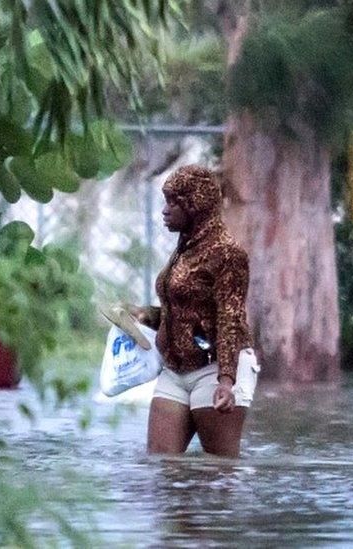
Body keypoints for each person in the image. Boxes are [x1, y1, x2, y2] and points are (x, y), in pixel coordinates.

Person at [128, 165, 253, 458]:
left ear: (195, 205)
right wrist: (145, 314)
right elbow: (186, 310)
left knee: (220, 472)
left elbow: (229, 318)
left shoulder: (227, 253)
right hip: (175, 371)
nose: (165, 211)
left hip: (216, 368)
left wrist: (225, 380)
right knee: (161, 466)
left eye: (174, 202)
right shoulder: (185, 248)